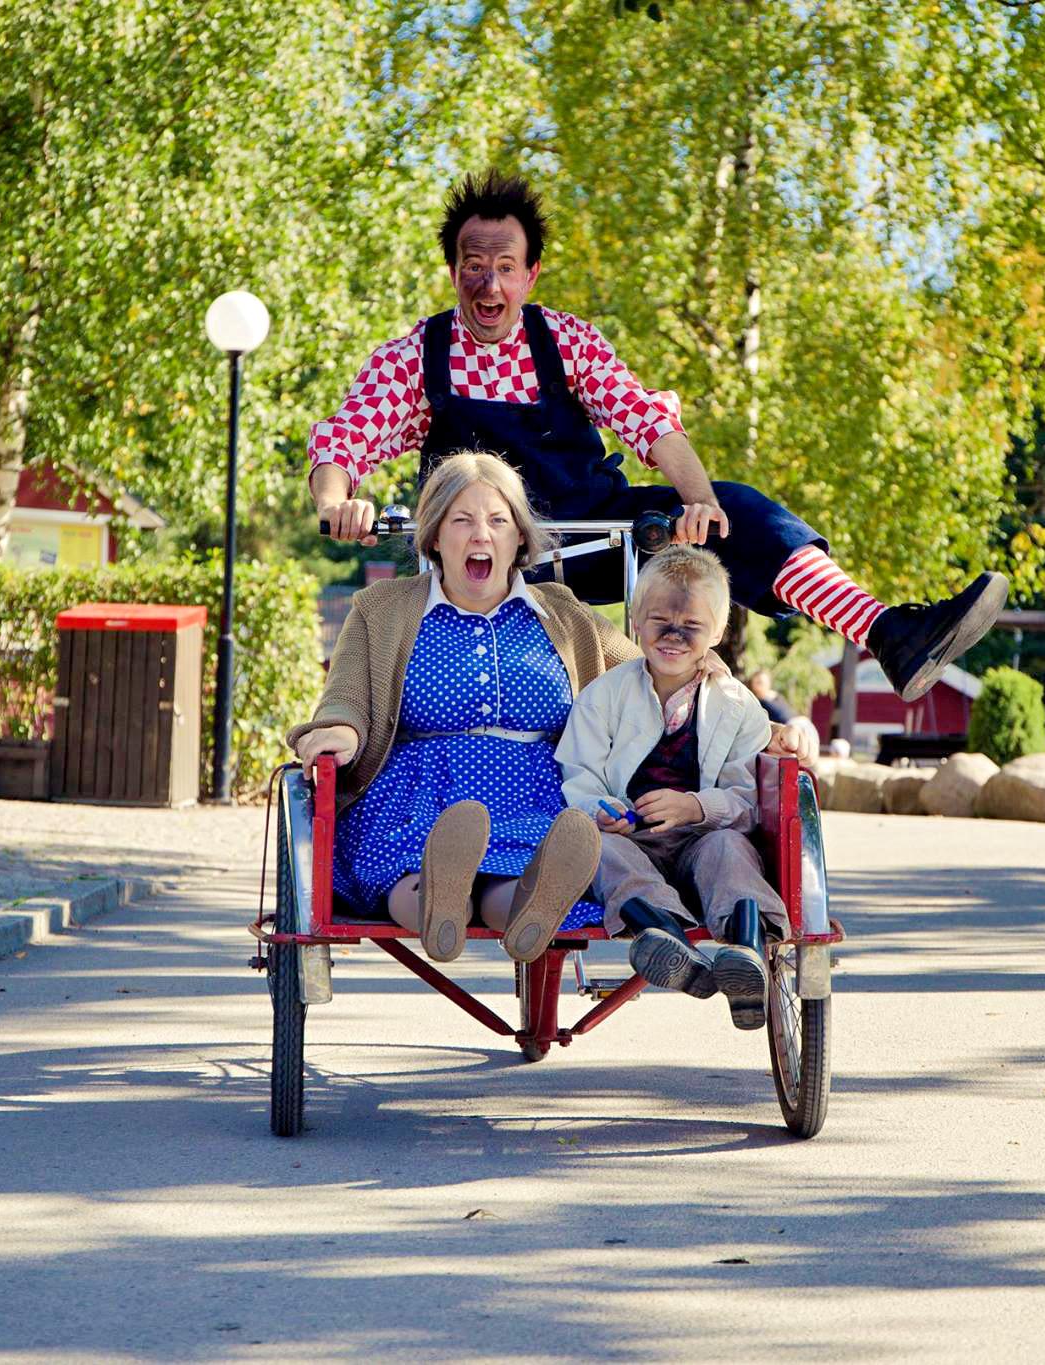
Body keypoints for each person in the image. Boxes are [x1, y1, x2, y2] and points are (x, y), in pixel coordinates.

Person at [310, 171, 1007, 707]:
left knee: (745, 512)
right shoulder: (414, 356)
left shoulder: (568, 341)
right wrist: (340, 502)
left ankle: (889, 633)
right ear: (453, 269)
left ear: (530, 274)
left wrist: (700, 501)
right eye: (472, 265)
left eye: (504, 267)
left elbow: (652, 425)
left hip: (589, 535)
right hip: (483, 554)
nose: (487, 283)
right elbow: (343, 446)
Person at [287, 451, 812, 966]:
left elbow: (664, 670)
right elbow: (348, 697)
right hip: (421, 788)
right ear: (434, 535)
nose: (480, 535)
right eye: (462, 520)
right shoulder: (383, 608)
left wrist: (767, 727)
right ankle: (438, 904)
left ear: (519, 539)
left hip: (536, 792)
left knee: (521, 874)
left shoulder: (562, 614)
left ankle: (524, 912)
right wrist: (338, 733)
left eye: (498, 521)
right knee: (408, 863)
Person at [556, 546, 784, 1030]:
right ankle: (665, 935)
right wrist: (604, 809)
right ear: (635, 621)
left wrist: (696, 806)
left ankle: (744, 949)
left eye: (692, 627)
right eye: (660, 620)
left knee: (730, 848)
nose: (674, 636)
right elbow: (579, 772)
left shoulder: (739, 707)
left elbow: (747, 800)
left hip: (703, 839)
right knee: (602, 849)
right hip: (631, 836)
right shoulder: (606, 695)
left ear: (717, 633)